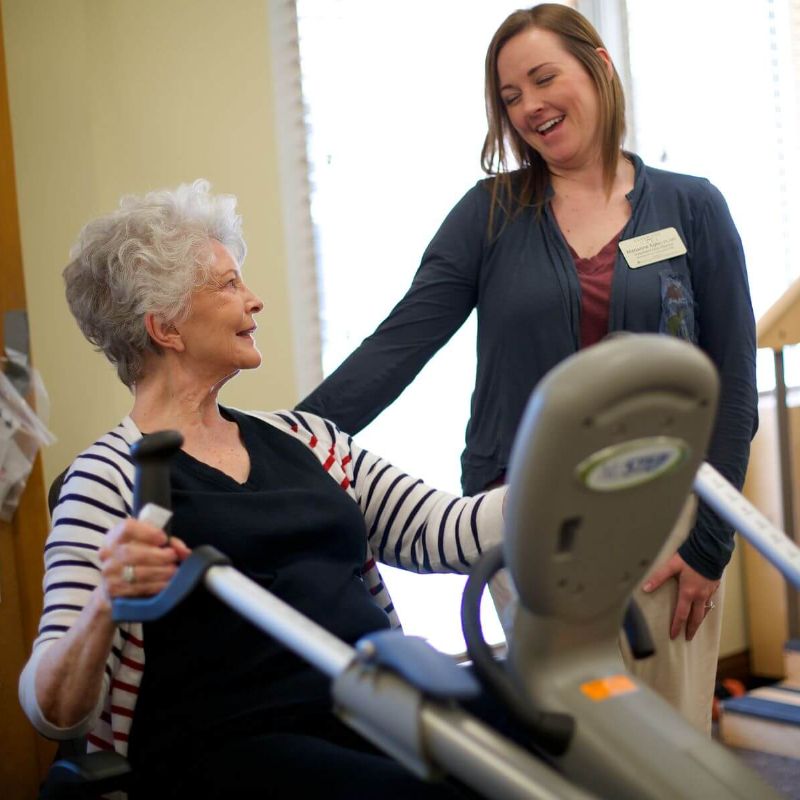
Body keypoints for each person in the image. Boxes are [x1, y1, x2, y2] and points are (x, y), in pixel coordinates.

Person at [297, 4, 758, 733]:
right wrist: (280, 443)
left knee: (667, 749)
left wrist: (709, 545)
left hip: (663, 524)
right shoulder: (490, 215)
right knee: (568, 742)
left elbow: (732, 388)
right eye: (510, 97)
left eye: (544, 78)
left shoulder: (692, 208)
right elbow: (396, 347)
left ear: (599, 66)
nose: (530, 107)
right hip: (521, 523)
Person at [18, 180, 506, 799]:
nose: (255, 301)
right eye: (228, 284)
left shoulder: (308, 439)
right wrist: (105, 603)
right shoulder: (108, 478)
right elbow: (52, 712)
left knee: (544, 736)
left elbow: (450, 532)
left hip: (376, 708)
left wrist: (569, 486)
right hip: (234, 744)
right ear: (166, 327)